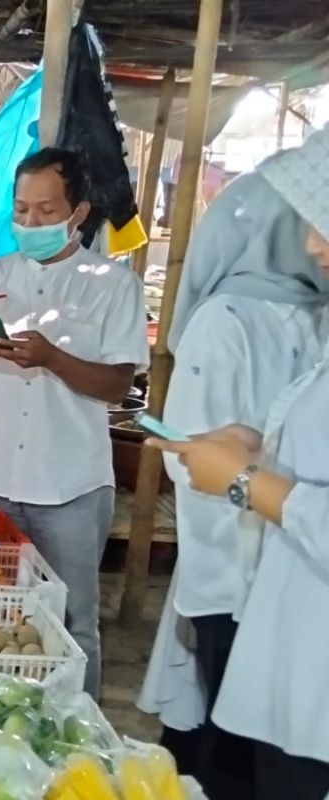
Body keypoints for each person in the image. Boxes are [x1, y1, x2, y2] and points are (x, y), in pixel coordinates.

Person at [149, 128, 329, 800]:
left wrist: (249, 479)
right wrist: (258, 452)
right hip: (261, 586)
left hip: (284, 602)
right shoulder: (232, 317)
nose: (314, 243)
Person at [0, 148, 149, 696]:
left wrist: (53, 358)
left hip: (69, 485)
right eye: (20, 211)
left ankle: (77, 736)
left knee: (73, 621)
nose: (29, 223)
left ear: (78, 212)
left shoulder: (113, 285)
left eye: (44, 211)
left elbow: (116, 385)